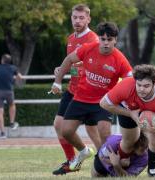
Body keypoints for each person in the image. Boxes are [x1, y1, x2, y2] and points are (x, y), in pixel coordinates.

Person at [50, 21, 133, 173]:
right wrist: (57, 82)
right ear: (99, 39)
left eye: (109, 39)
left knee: (104, 133)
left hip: (103, 102)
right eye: (103, 39)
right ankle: (83, 151)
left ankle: (110, 166)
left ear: (115, 40)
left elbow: (130, 80)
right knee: (65, 131)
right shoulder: (88, 48)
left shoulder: (120, 59)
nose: (106, 43)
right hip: (80, 98)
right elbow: (69, 59)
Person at [51, 4, 99, 175]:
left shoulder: (93, 39)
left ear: (88, 19)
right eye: (74, 17)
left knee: (94, 131)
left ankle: (104, 162)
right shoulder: (71, 38)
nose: (77, 21)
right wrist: (62, 68)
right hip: (72, 89)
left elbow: (93, 66)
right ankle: (72, 160)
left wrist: (67, 67)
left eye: (81, 18)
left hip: (88, 92)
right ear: (71, 18)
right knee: (58, 125)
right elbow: (73, 64)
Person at [100, 64, 155, 177]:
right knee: (130, 141)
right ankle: (121, 161)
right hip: (128, 109)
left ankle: (152, 169)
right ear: (135, 81)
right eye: (139, 85)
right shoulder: (126, 85)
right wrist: (130, 114)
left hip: (151, 111)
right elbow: (103, 104)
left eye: (146, 86)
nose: (142, 89)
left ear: (154, 84)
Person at [0, 54, 22, 138]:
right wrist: (13, 81)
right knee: (12, 105)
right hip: (9, 90)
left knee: (0, 112)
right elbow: (20, 77)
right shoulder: (13, 68)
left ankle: (2, 133)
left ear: (2, 60)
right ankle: (12, 122)